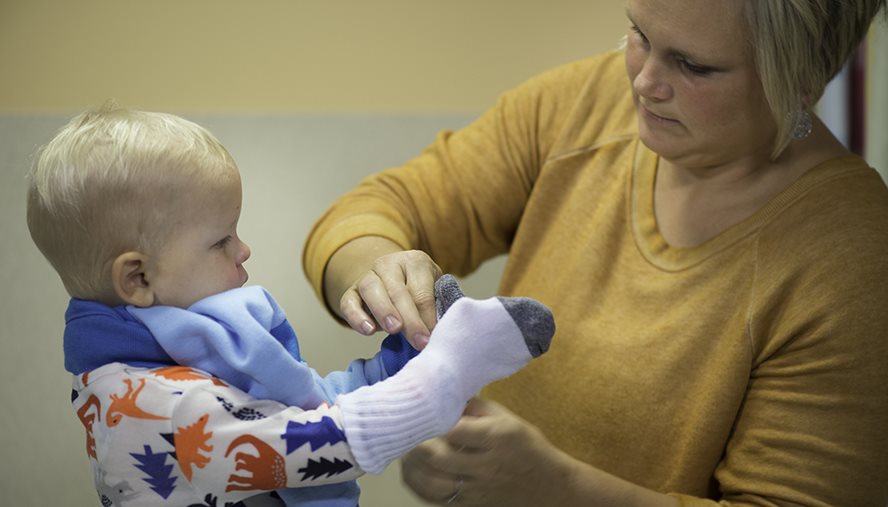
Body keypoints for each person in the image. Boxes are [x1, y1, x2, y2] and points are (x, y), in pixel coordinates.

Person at [302, 0, 888, 505]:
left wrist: (555, 490)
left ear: (800, 79)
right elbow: (372, 214)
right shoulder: (585, 105)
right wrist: (381, 273)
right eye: (640, 34)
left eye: (693, 65)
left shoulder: (854, 259)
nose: (643, 81)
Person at [25, 105, 555, 507]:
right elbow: (309, 442)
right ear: (137, 277)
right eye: (221, 241)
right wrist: (446, 373)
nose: (244, 250)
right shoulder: (138, 404)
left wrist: (403, 359)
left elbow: (311, 405)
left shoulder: (180, 353)